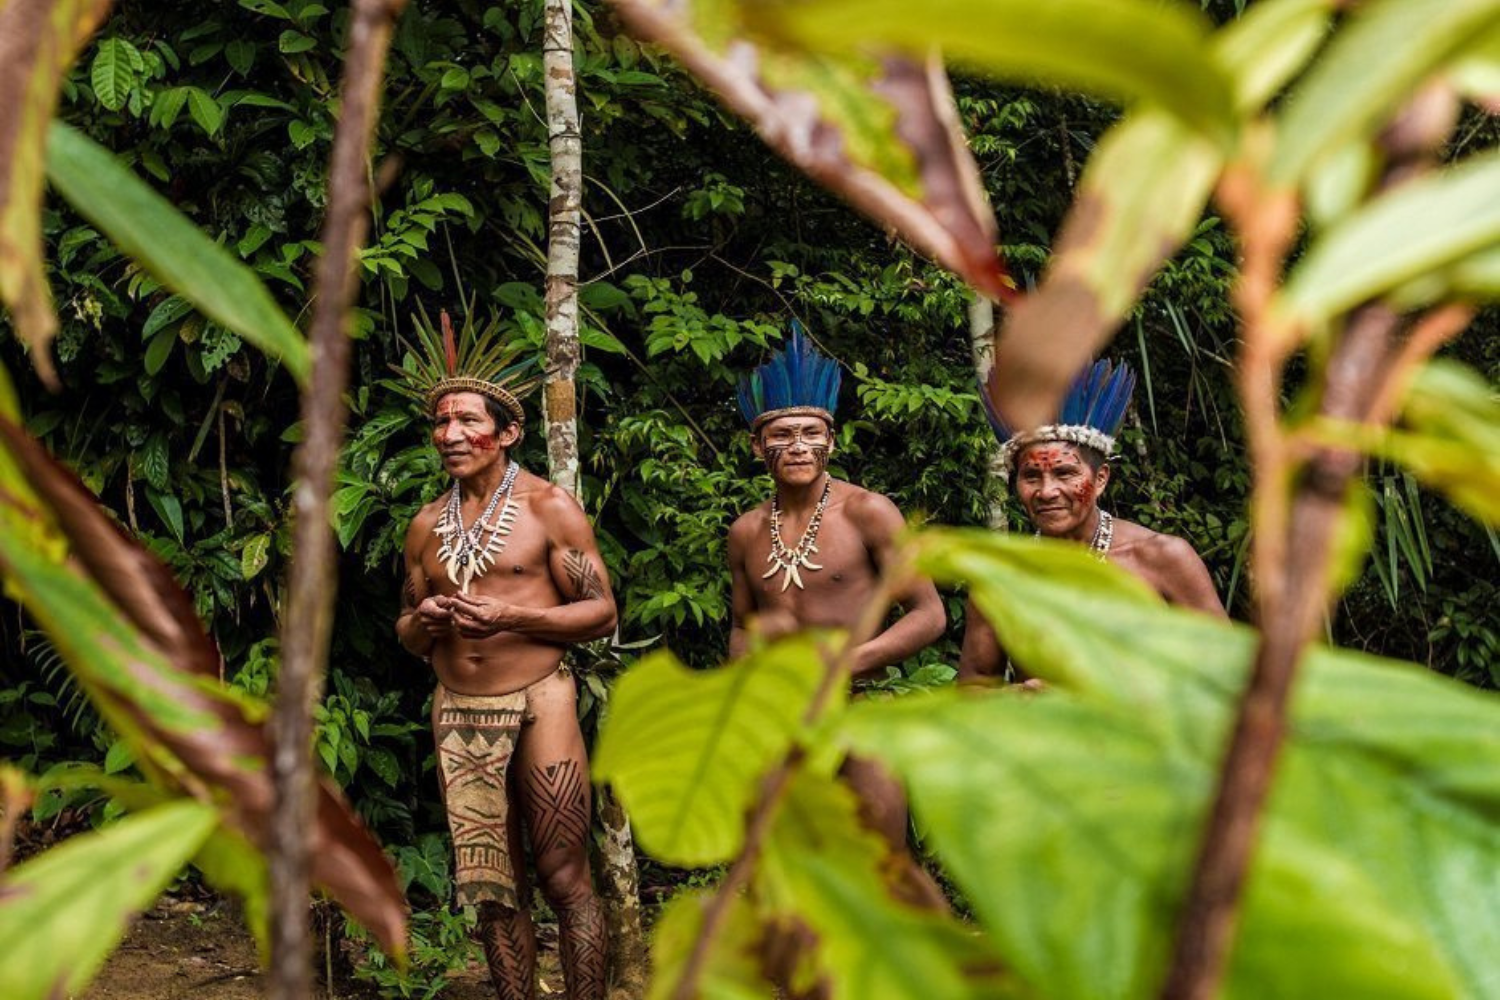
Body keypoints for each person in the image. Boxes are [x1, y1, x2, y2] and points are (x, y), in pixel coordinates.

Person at [394, 310, 615, 1000]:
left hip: (541, 697)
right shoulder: (427, 524)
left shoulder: (550, 508)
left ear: (509, 432)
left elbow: (602, 611)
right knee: (492, 887)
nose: (451, 435)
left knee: (562, 874)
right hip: (458, 709)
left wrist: (512, 615)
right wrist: (426, 620)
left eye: (467, 421)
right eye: (441, 423)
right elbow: (404, 628)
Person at [727, 325, 946, 900]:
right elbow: (741, 628)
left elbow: (929, 613)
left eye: (810, 433)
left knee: (879, 866)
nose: (797, 445)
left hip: (862, 708)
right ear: (757, 447)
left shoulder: (868, 513)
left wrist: (850, 660)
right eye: (782, 434)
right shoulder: (746, 532)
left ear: (832, 441)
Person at [959, 359, 1226, 682]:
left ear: (1100, 479)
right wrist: (1021, 701)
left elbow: (1228, 675)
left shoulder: (1162, 559)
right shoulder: (999, 578)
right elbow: (974, 687)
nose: (1047, 492)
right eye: (1031, 476)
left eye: (1064, 473)